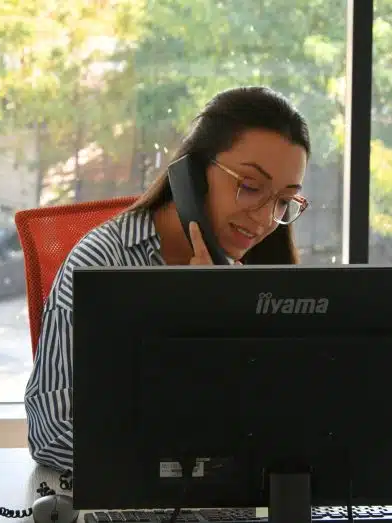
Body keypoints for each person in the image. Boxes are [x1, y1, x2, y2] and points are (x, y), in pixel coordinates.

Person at [24, 86, 312, 471]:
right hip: (138, 496)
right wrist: (193, 331)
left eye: (283, 201)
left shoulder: (260, 275)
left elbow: (289, 425)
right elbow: (52, 434)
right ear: (193, 173)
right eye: (250, 187)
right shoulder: (102, 264)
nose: (264, 219)